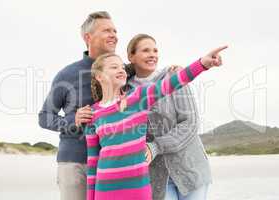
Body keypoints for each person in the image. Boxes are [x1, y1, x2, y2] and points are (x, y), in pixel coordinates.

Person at [85, 46, 226, 200]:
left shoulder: (138, 98)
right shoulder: (93, 114)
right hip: (105, 190)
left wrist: (202, 64)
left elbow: (172, 83)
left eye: (122, 67)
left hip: (138, 189)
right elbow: (92, 164)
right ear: (99, 76)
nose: (121, 70)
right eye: (114, 67)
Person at [38, 11, 117, 200]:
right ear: (87, 37)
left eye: (115, 30)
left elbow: (147, 79)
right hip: (75, 162)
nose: (114, 35)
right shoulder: (67, 74)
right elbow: (45, 116)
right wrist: (72, 120)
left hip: (113, 163)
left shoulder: (121, 70)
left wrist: (171, 71)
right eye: (107, 30)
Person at [127, 34, 212, 200]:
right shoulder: (125, 90)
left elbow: (190, 123)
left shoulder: (173, 77)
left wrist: (156, 146)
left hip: (191, 169)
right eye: (145, 50)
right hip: (155, 177)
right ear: (131, 56)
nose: (152, 54)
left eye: (155, 50)